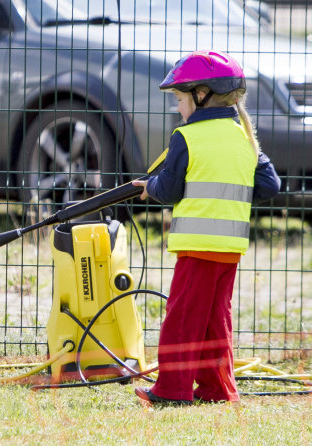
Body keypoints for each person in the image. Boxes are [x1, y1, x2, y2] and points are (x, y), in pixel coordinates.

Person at [132, 50, 281, 406]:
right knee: (216, 320)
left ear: (201, 95)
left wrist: (149, 187)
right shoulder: (244, 137)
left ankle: (171, 391)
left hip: (197, 245)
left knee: (183, 317)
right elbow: (270, 185)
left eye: (181, 99)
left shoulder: (187, 137)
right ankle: (217, 390)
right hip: (229, 248)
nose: (179, 108)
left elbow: (168, 189)